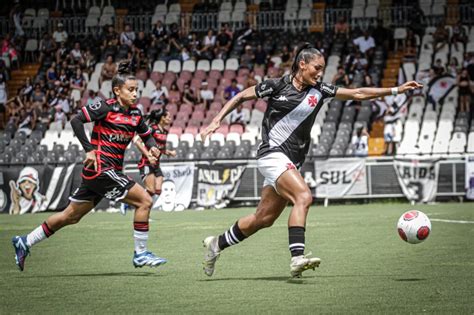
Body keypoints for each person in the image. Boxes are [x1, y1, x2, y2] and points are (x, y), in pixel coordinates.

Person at [199, 43, 423, 278]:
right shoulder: (276, 86)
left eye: (323, 69)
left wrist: (396, 90)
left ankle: (216, 244)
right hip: (271, 154)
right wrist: (216, 121)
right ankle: (297, 258)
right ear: (302, 64)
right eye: (317, 67)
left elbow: (357, 93)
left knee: (263, 219)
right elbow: (241, 96)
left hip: (289, 162)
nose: (320, 73)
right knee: (304, 196)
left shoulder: (321, 90)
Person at [11, 61, 167, 271]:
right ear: (117, 90)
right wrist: (89, 150)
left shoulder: (136, 114)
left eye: (137, 90)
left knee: (70, 216)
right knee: (145, 201)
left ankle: (25, 241)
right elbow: (76, 120)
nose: (135, 94)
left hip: (104, 173)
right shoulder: (105, 107)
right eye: (130, 90)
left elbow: (147, 136)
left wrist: (153, 148)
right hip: (102, 169)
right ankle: (140, 254)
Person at [128, 109, 176, 214]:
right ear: (162, 118)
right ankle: (132, 205)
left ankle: (143, 209)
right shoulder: (152, 129)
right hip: (146, 163)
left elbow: (159, 148)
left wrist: (169, 152)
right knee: (151, 190)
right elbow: (137, 141)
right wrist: (148, 155)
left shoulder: (165, 131)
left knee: (158, 190)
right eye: (168, 116)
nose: (170, 118)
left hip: (156, 164)